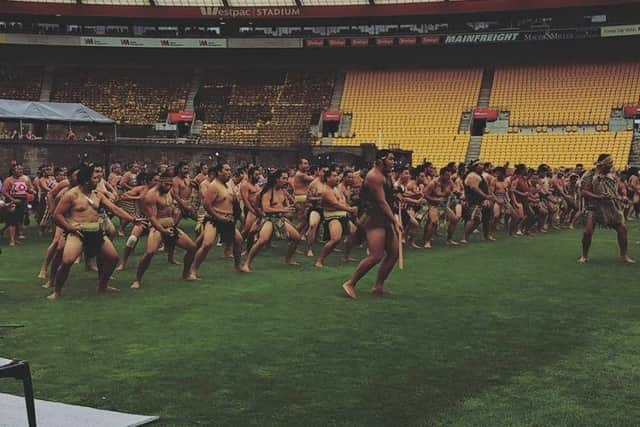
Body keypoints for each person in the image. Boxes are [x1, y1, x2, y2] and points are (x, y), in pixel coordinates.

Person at [47, 164, 134, 300]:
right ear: (86, 180)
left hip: (96, 231)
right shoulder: (71, 195)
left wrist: (132, 219)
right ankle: (57, 291)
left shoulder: (97, 194)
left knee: (113, 258)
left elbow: (114, 209)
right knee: (67, 261)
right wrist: (69, 227)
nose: (98, 181)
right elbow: (57, 215)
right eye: (95, 179)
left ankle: (102, 285)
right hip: (78, 233)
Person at [341, 150, 402, 299]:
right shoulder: (374, 176)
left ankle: (378, 286)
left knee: (394, 253)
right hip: (374, 217)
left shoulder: (386, 174)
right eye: (391, 159)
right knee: (376, 255)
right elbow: (381, 201)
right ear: (381, 160)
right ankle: (350, 283)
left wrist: (397, 194)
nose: (393, 162)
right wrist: (395, 220)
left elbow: (387, 195)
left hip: (383, 216)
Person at [131, 172, 197, 288]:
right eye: (166, 184)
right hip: (157, 228)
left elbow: (174, 205)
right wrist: (162, 230)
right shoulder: (151, 195)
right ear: (160, 182)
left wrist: (183, 209)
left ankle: (185, 274)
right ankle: (137, 280)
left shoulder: (169, 191)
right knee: (150, 252)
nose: (168, 187)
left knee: (192, 248)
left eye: (170, 184)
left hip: (170, 226)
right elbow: (152, 218)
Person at [190, 163, 244, 278]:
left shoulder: (228, 185)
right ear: (219, 172)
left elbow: (230, 201)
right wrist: (218, 216)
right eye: (227, 170)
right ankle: (193, 270)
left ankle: (237, 265)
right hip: (214, 219)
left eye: (230, 170)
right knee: (207, 244)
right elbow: (206, 204)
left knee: (239, 240)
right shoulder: (214, 185)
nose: (229, 172)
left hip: (227, 219)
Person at [241, 169, 302, 272]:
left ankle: (288, 259)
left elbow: (288, 203)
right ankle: (246, 264)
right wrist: (282, 209)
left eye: (287, 178)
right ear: (277, 179)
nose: (286, 180)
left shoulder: (282, 190)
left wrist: (292, 208)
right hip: (268, 218)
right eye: (283, 178)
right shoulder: (268, 191)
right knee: (262, 240)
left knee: (297, 237)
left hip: (279, 218)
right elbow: (266, 208)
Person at [578, 154, 634, 264]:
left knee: (622, 229)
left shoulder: (612, 175)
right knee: (587, 232)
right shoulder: (589, 175)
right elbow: (584, 191)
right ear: (602, 164)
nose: (611, 165)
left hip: (610, 206)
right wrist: (598, 197)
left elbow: (621, 187)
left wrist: (623, 196)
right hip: (593, 206)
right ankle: (584, 256)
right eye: (609, 163)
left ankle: (624, 255)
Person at [315, 166, 357, 268]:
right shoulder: (326, 191)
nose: (336, 177)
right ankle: (319, 260)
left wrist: (349, 206)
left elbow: (342, 202)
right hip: (333, 217)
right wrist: (350, 209)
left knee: (353, 232)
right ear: (328, 178)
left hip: (343, 215)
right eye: (334, 176)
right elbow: (336, 205)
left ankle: (346, 256)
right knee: (335, 239)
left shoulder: (336, 188)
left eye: (337, 175)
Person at [116, 172, 160, 271]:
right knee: (132, 240)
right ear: (148, 181)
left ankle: (171, 258)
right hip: (142, 219)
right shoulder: (140, 189)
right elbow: (123, 196)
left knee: (163, 241)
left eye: (159, 180)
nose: (158, 183)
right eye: (155, 180)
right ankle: (122, 263)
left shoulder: (160, 191)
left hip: (156, 220)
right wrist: (137, 198)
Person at [422, 167, 458, 247]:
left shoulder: (449, 182)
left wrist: (454, 192)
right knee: (433, 221)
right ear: (441, 175)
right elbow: (425, 194)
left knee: (454, 219)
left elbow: (454, 189)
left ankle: (449, 239)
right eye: (447, 175)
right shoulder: (433, 183)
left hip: (443, 205)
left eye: (449, 175)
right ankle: (427, 241)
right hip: (432, 205)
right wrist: (435, 199)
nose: (449, 177)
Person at [461, 161, 495, 244]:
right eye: (480, 164)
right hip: (474, 200)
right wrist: (485, 196)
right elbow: (474, 188)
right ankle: (465, 237)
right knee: (473, 219)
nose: (482, 166)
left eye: (483, 164)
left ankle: (486, 235)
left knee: (485, 219)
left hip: (481, 200)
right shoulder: (473, 175)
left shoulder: (479, 175)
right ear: (475, 166)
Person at [1, 163, 33, 246]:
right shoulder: (9, 180)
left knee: (19, 220)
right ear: (13, 171)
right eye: (18, 169)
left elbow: (29, 188)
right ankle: (11, 240)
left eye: (21, 169)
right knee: (12, 221)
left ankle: (16, 238)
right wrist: (13, 199)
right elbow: (4, 191)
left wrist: (32, 191)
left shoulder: (25, 179)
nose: (20, 171)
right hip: (12, 201)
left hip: (22, 201)